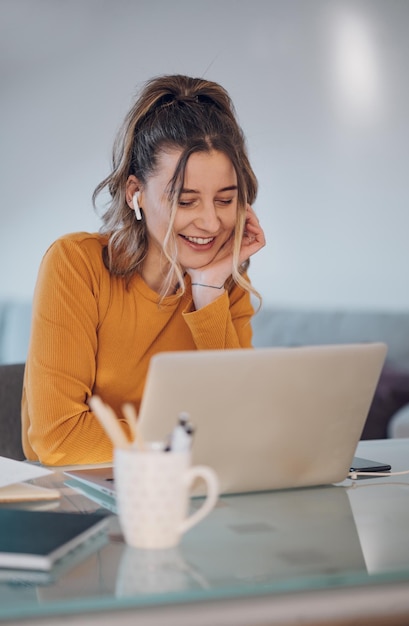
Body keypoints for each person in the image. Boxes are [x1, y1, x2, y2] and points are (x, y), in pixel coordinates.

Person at [21, 74, 266, 465]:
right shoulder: (76, 264)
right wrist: (192, 441)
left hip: (193, 488)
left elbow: (243, 424)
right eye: (186, 202)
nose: (211, 223)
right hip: (83, 496)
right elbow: (60, 437)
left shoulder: (225, 282)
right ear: (136, 194)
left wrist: (207, 292)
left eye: (225, 199)